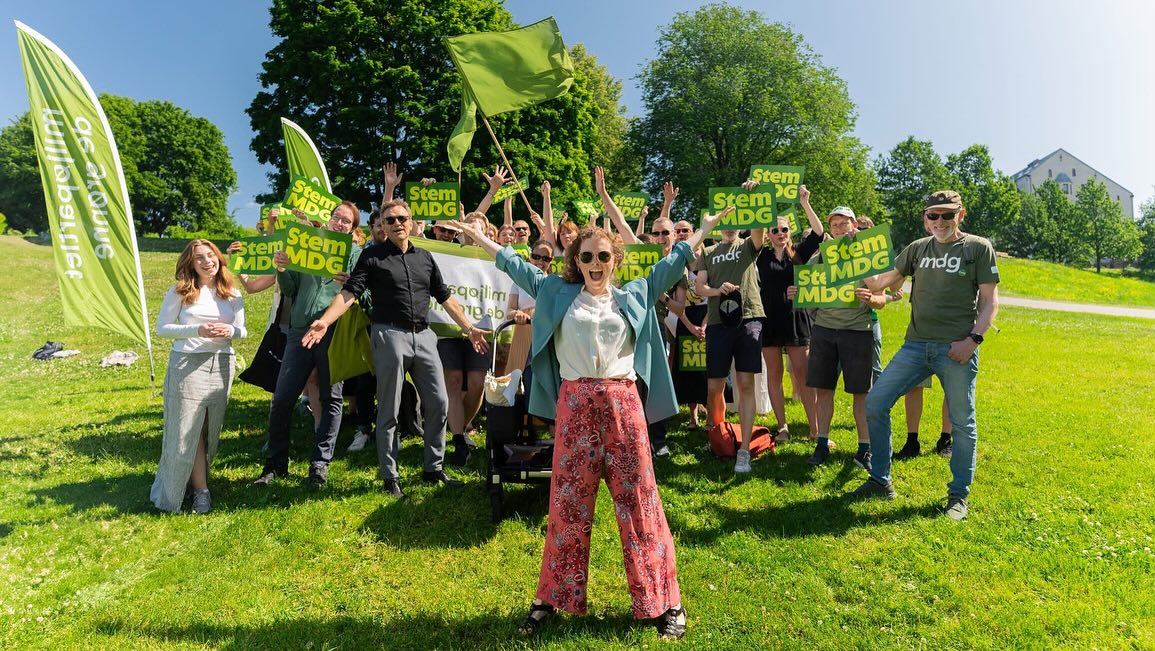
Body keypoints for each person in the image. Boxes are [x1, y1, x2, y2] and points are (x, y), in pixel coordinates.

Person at [449, 205, 731, 642]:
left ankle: (664, 602)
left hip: (623, 404)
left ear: (615, 259)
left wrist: (707, 228)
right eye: (586, 258)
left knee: (640, 503)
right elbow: (513, 263)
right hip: (575, 404)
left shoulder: (635, 293)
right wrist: (479, 237)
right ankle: (551, 600)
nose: (595, 265)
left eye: (603, 257)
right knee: (566, 504)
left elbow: (673, 260)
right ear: (574, 262)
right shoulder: (556, 293)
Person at [301, 200, 488, 498]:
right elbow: (350, 292)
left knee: (439, 402)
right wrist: (324, 321)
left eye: (402, 218)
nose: (397, 223)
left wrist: (469, 327)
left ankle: (433, 468)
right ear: (383, 227)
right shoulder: (372, 256)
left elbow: (445, 297)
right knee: (388, 408)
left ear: (412, 222)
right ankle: (390, 476)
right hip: (388, 334)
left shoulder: (425, 257)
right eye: (390, 220)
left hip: (425, 336)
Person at [853, 190, 999, 521]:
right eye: (933, 215)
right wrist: (857, 258)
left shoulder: (977, 248)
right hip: (916, 345)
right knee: (876, 403)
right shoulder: (917, 249)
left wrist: (973, 340)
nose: (940, 222)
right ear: (925, 218)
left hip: (956, 348)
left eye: (947, 215)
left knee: (963, 422)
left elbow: (991, 302)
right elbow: (884, 282)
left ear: (960, 216)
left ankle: (958, 496)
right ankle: (880, 479)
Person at [253, 200, 362, 487]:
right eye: (336, 217)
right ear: (328, 219)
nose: (339, 223)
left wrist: (349, 282)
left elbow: (361, 292)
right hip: (299, 332)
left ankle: (319, 464)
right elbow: (290, 289)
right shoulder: (307, 245)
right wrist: (282, 268)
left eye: (346, 221)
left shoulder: (355, 253)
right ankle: (275, 465)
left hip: (333, 333)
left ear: (352, 229)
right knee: (282, 398)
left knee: (332, 399)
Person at [789, 199, 887, 470]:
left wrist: (871, 298)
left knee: (861, 393)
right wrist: (797, 294)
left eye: (845, 223)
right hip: (824, 332)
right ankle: (822, 444)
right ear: (830, 228)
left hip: (858, 331)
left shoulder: (866, 255)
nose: (840, 227)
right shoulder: (821, 256)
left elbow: (881, 298)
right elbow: (807, 290)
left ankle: (864, 448)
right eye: (835, 224)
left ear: (854, 225)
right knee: (824, 391)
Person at [152, 240, 246, 514]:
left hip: (222, 365)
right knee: (187, 429)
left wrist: (230, 333)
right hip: (187, 364)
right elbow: (162, 328)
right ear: (191, 264)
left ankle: (196, 483)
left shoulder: (231, 292)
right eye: (199, 259)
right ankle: (197, 492)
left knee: (208, 429)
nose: (207, 262)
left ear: (219, 258)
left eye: (211, 256)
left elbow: (242, 331)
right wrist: (197, 331)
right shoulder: (181, 291)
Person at [695, 209, 765, 474]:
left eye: (736, 223)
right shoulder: (709, 252)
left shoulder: (747, 245)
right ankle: (718, 437)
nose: (730, 227)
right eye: (725, 223)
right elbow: (699, 287)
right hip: (717, 322)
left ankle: (744, 450)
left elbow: (759, 231)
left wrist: (752, 199)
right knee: (714, 387)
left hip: (749, 319)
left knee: (746, 384)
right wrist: (717, 290)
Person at [756, 186, 822, 445]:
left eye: (784, 229)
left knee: (803, 374)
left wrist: (805, 203)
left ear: (790, 232)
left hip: (796, 319)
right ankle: (782, 426)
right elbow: (749, 231)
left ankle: (815, 428)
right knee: (774, 374)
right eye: (775, 230)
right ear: (768, 234)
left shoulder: (799, 255)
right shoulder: (759, 255)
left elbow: (818, 233)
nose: (780, 233)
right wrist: (754, 197)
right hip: (769, 320)